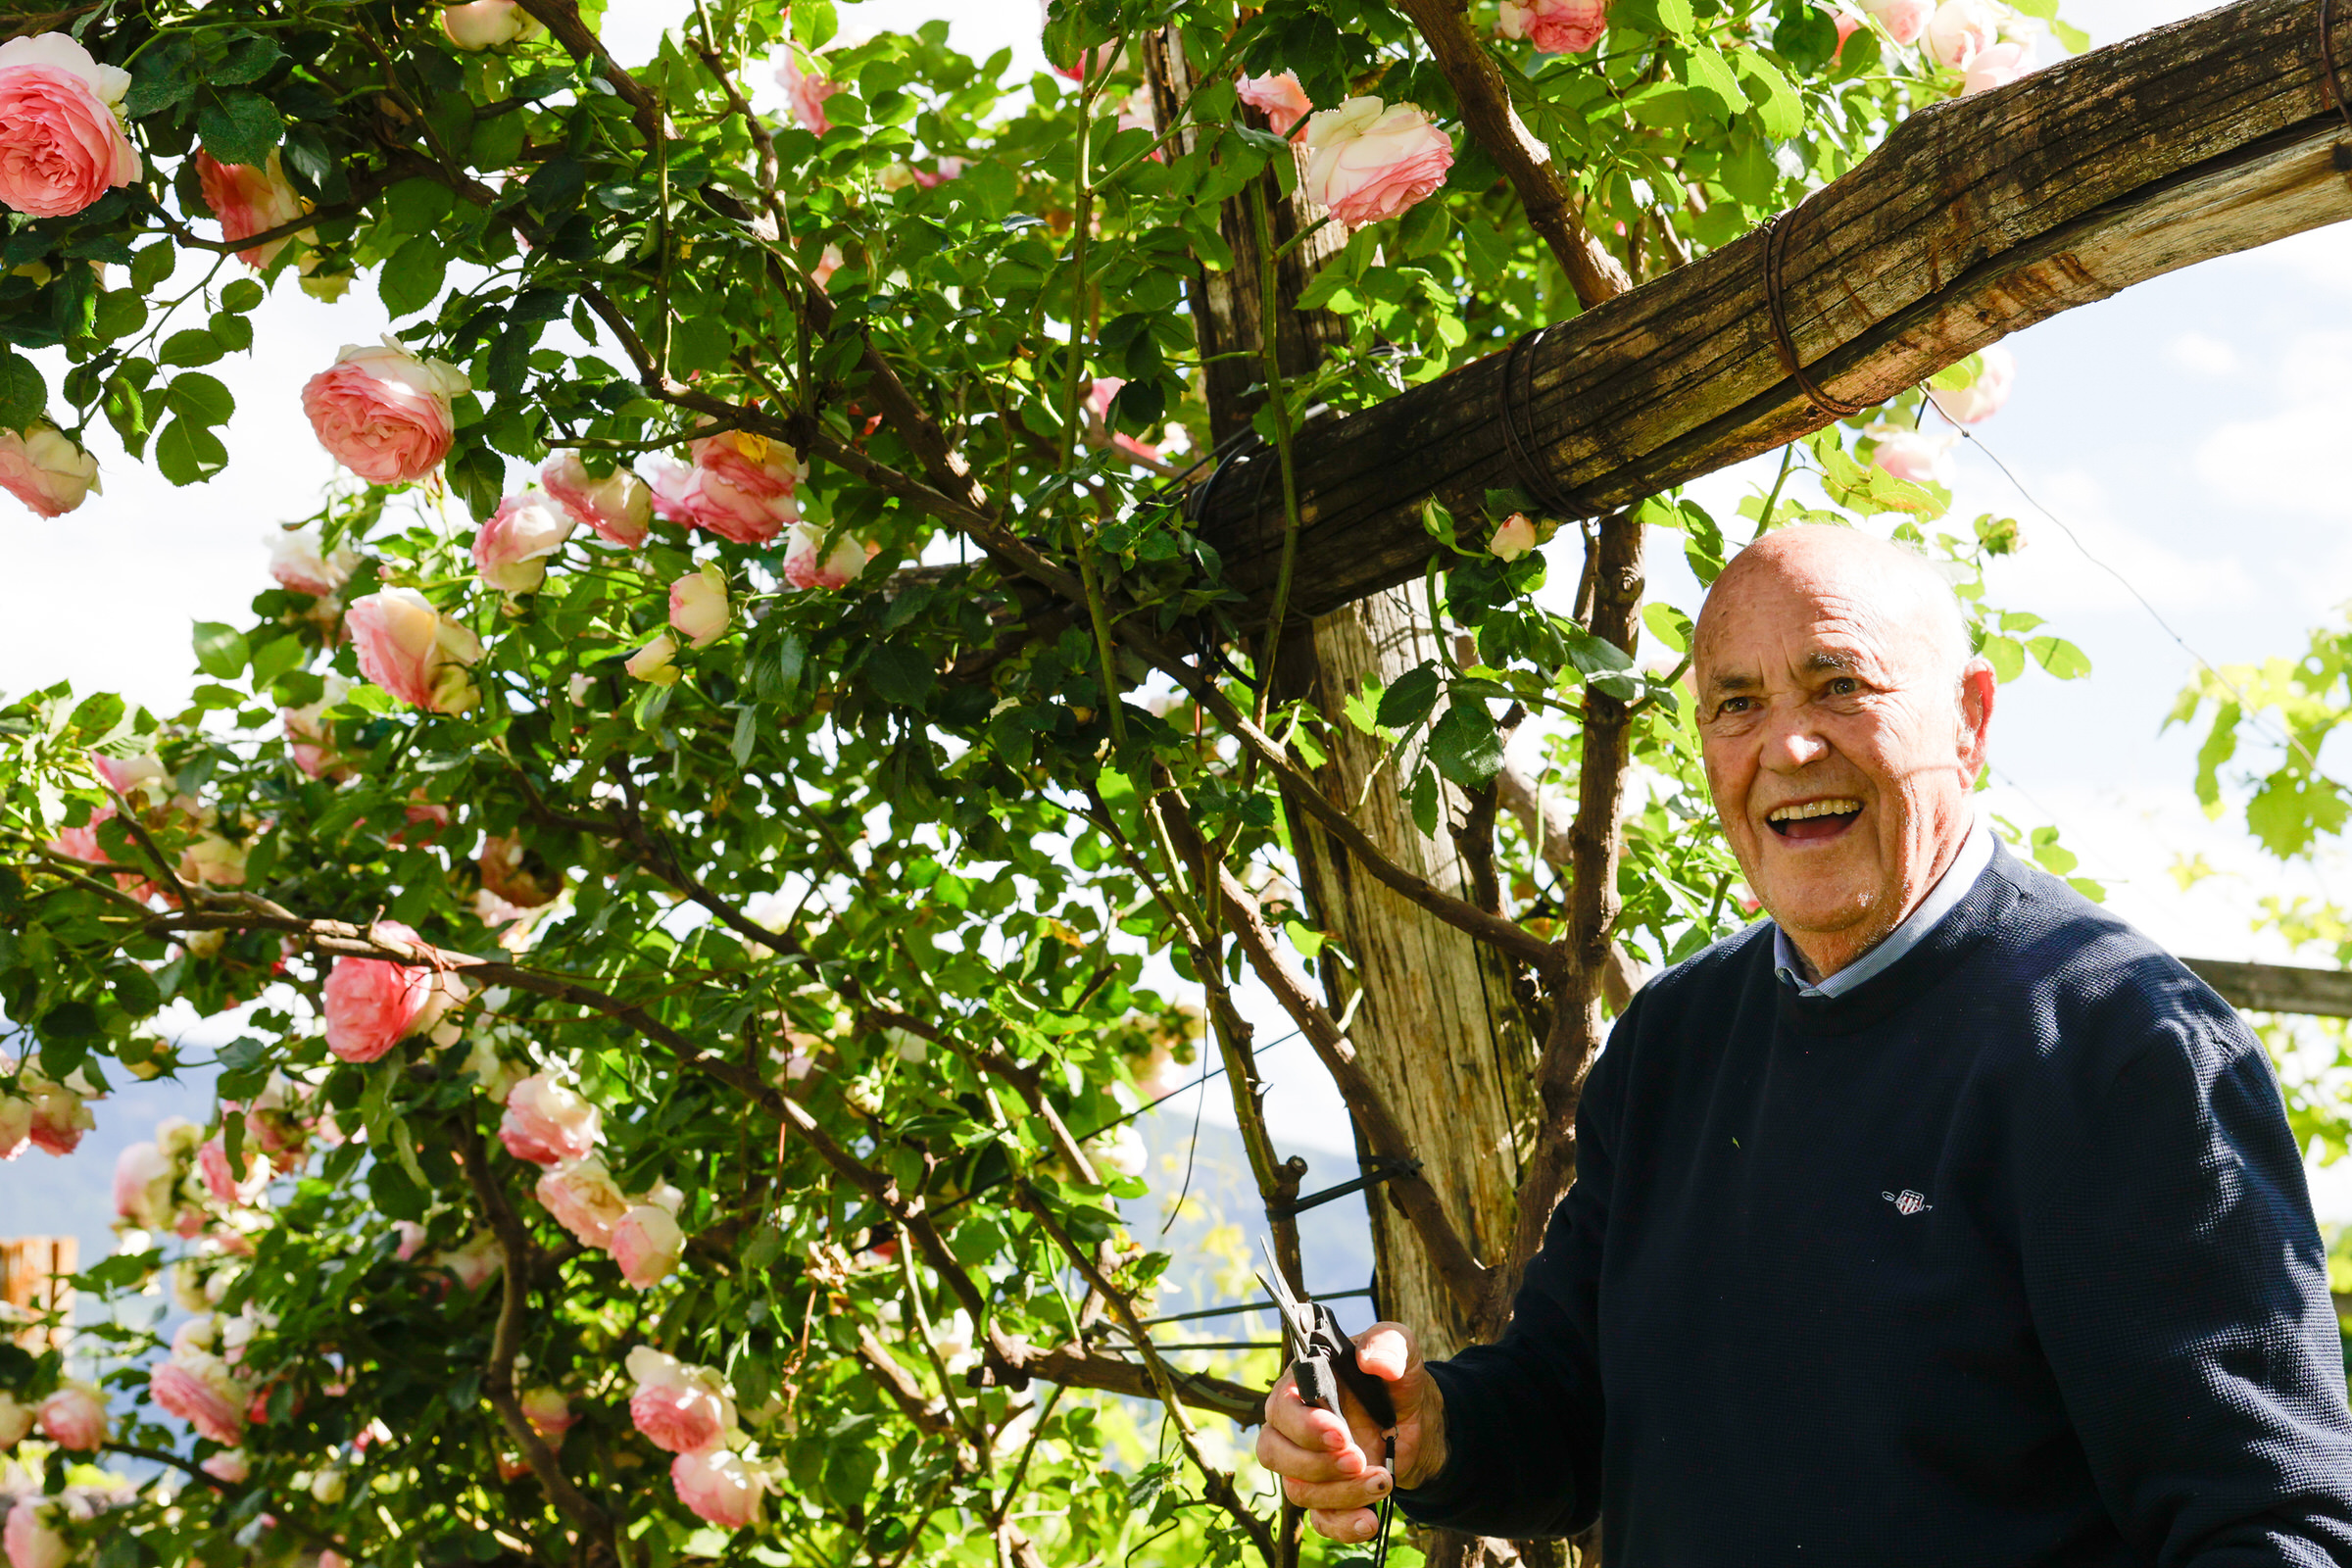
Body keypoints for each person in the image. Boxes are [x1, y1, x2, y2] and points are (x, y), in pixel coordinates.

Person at [1257, 525, 2352, 1563]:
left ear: (1969, 718)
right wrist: (1424, 1422)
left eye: (1841, 684)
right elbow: (1573, 1405)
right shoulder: (1673, 1043)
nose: (1787, 743)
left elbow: (2274, 1527)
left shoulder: (2127, 1053)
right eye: (1738, 702)